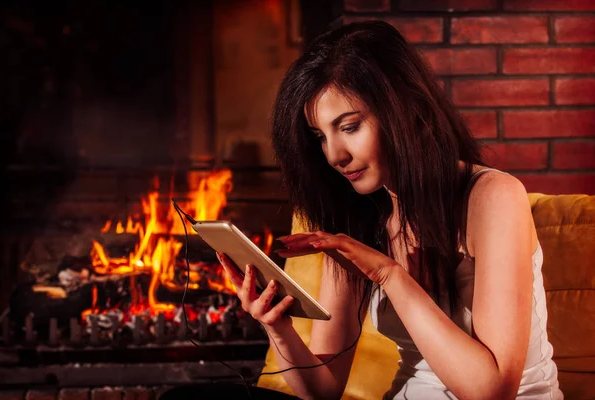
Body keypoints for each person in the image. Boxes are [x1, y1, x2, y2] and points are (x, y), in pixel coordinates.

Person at [217, 21, 563, 400]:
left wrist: (390, 275)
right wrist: (276, 325)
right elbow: (322, 389)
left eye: (349, 127)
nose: (334, 155)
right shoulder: (360, 215)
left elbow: (492, 392)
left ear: (405, 108)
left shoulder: (492, 197)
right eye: (320, 136)